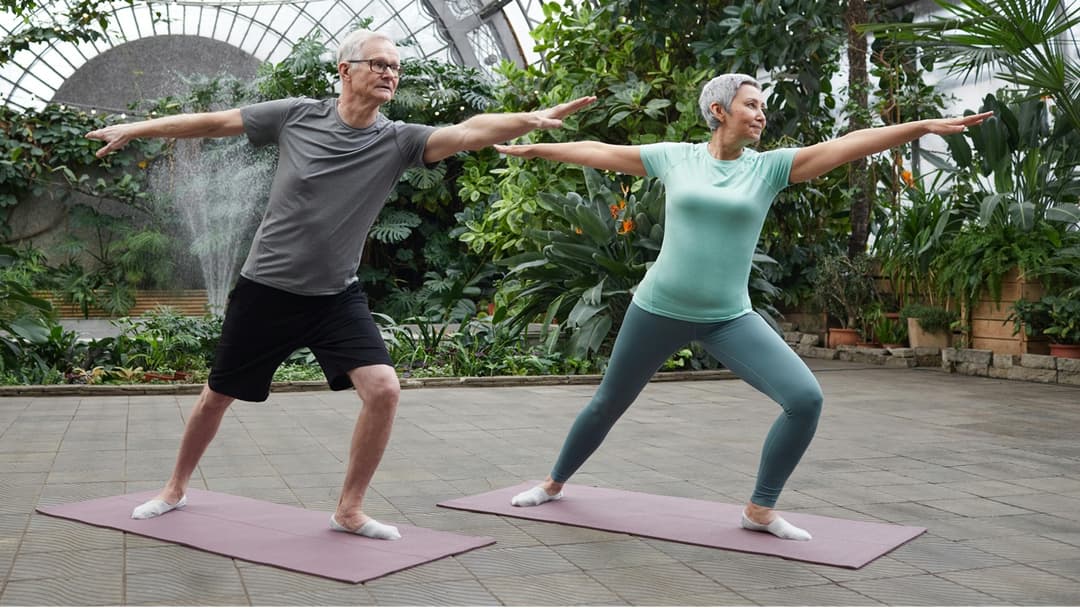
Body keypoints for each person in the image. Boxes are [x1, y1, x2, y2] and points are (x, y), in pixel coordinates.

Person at [86, 29, 595, 540]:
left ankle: (349, 510)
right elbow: (216, 122)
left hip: (335, 295)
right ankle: (174, 489)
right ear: (344, 70)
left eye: (395, 67)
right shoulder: (297, 115)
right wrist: (138, 128)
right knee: (217, 396)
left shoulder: (399, 140)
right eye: (378, 63)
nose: (389, 74)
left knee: (384, 390)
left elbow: (468, 130)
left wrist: (530, 120)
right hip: (266, 288)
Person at [497, 73, 991, 541]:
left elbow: (847, 144)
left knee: (805, 399)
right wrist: (537, 146)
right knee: (608, 403)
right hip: (657, 309)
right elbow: (599, 151)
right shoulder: (676, 158)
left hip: (728, 318)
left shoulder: (770, 168)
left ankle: (760, 509)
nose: (761, 115)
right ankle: (554, 483)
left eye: (763, 107)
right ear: (718, 110)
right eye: (751, 105)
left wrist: (920, 126)